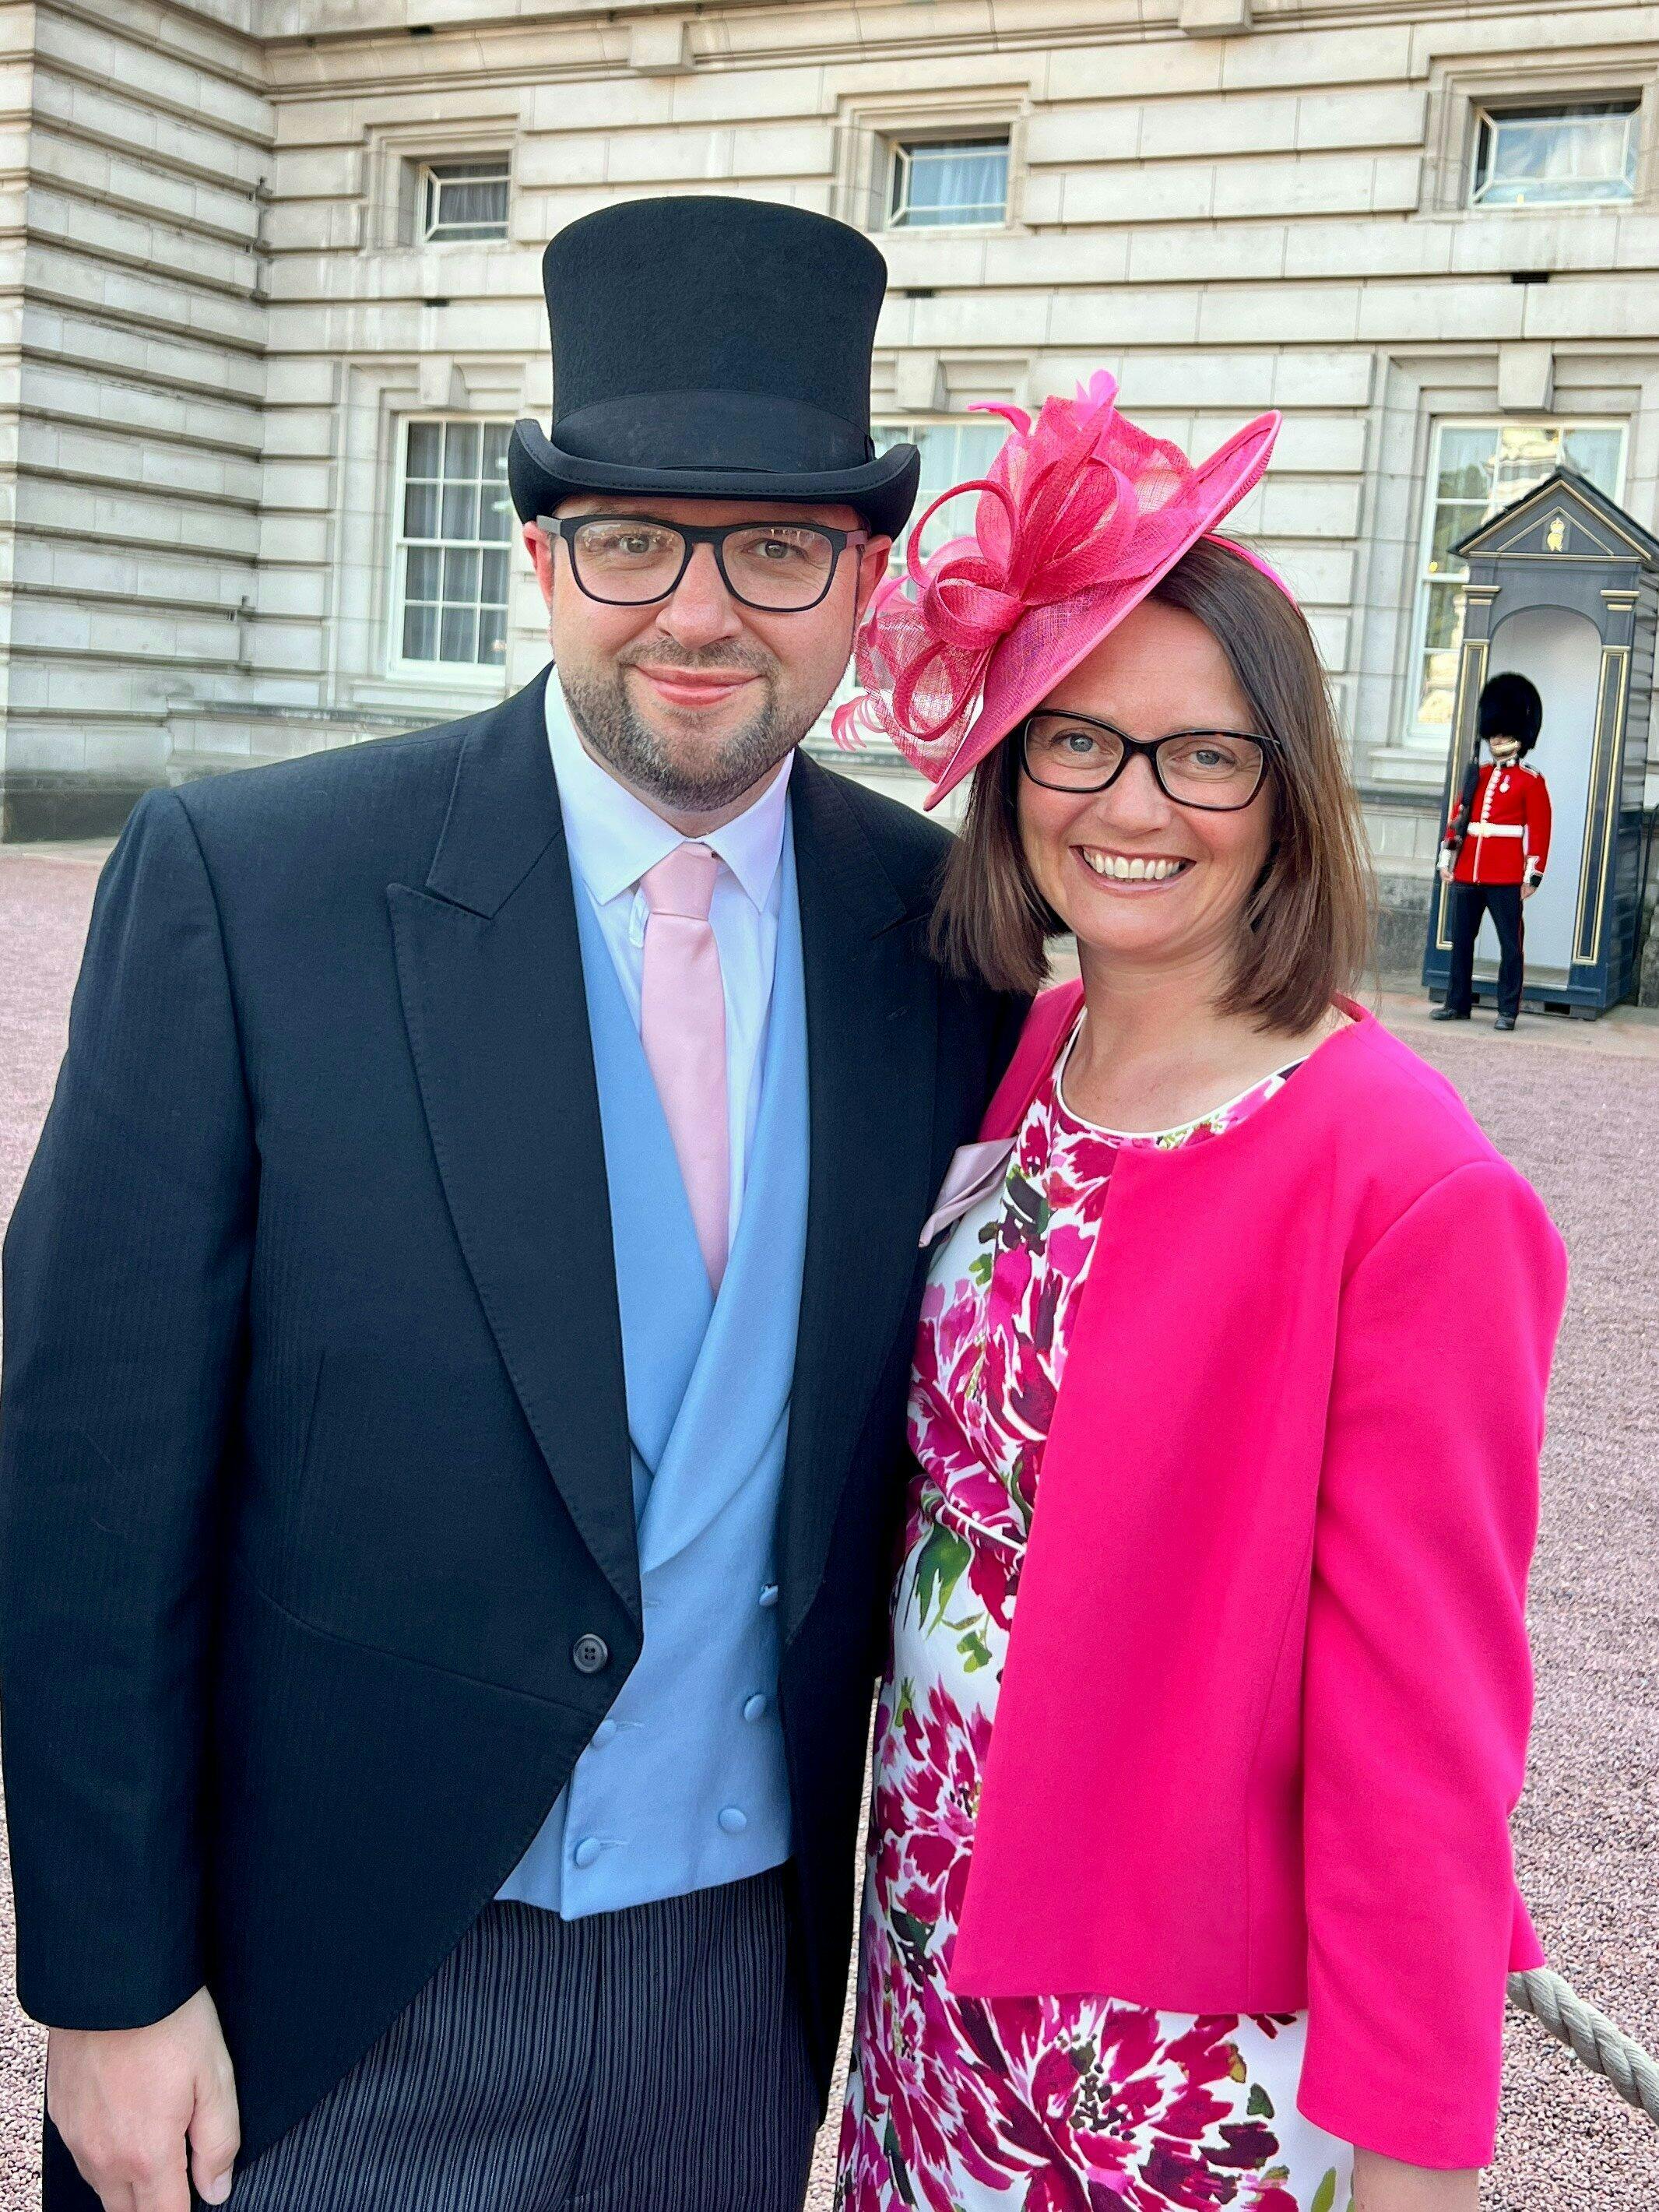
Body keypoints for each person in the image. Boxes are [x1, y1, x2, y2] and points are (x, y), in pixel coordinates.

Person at [0, 195, 1021, 2212]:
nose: (700, 614)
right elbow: (89, 1472)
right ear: (541, 557)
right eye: (633, 541)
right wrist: (107, 1987)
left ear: (862, 580)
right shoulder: (252, 886)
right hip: (330, 1992)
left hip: (733, 2005)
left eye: (776, 550)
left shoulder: (943, 935)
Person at [828, 375, 1568, 2212]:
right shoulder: (1027, 1058)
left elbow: (1421, 1722)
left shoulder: (1400, 1178)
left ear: (1283, 789)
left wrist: (1418, 2158)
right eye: (1076, 740)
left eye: (1203, 754)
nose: (1130, 802)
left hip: (1178, 2041)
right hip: (931, 1958)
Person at [1432, 671, 1552, 1031]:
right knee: (1461, 943)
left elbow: (1540, 830)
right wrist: (1447, 857)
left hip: (1505, 874)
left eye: (1503, 732)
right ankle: (1457, 1004)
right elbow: (1459, 817)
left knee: (1510, 946)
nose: (1496, 738)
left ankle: (1507, 1010)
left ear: (1519, 736)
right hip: (1469, 870)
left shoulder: (1530, 781)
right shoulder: (1479, 774)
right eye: (1494, 732)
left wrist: (1532, 874)